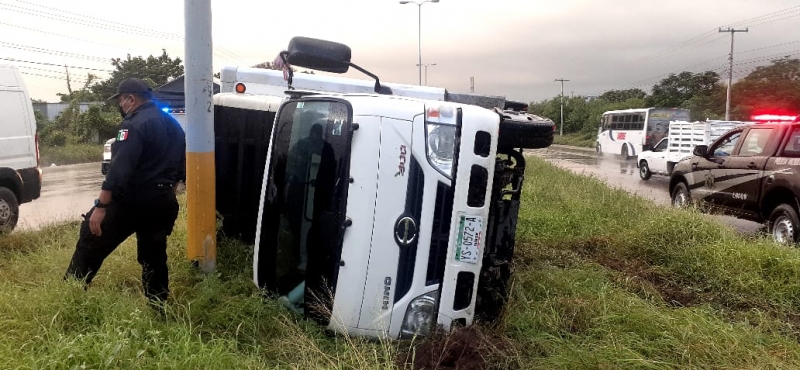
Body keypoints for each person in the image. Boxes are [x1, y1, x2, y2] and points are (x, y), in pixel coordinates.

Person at [64, 78, 186, 311]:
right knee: (154, 257)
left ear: (131, 99)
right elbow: (180, 170)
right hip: (163, 203)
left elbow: (119, 171)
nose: (120, 106)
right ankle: (158, 307)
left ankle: (70, 297)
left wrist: (100, 207)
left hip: (131, 202)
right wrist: (163, 194)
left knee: (90, 240)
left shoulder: (133, 124)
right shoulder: (174, 126)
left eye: (121, 101)